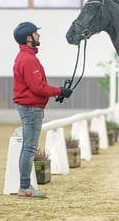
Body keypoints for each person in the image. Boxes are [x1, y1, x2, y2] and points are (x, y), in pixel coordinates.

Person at [13, 22, 73, 199]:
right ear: (28, 38)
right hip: (31, 109)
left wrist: (57, 93)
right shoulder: (28, 59)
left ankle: (25, 186)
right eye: (36, 34)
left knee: (28, 147)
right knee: (29, 147)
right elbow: (38, 87)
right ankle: (24, 187)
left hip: (30, 107)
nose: (39, 36)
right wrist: (59, 91)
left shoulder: (25, 57)